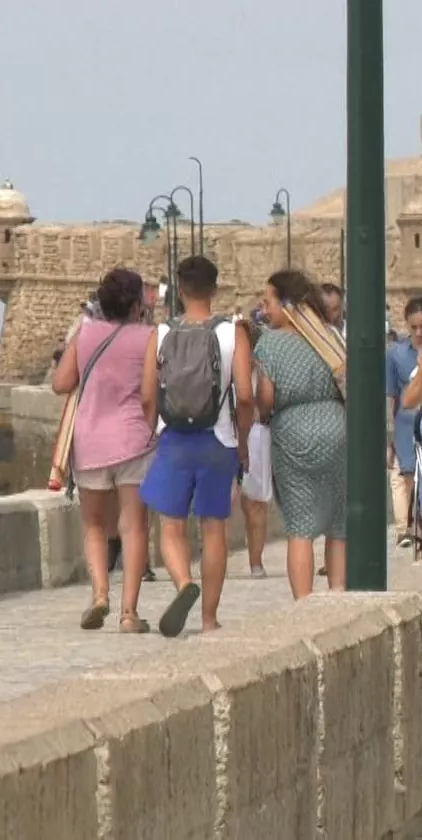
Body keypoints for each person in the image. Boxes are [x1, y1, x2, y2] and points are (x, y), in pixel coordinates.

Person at [138, 255, 249, 637]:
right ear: (215, 289)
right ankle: (208, 619)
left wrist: (154, 428)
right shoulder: (234, 333)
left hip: (175, 441)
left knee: (171, 526)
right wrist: (244, 442)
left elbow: (147, 395)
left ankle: (185, 582)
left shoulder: (162, 333)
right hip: (219, 440)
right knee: (213, 528)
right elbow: (247, 396)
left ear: (180, 289)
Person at [52, 268, 156, 634]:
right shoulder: (148, 337)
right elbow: (147, 394)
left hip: (90, 441)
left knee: (94, 524)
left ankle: (99, 595)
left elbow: (61, 383)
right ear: (134, 304)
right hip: (132, 441)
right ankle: (129, 613)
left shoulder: (85, 333)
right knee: (133, 526)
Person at [253, 269, 348, 598]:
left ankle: (304, 606)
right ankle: (338, 594)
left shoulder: (270, 344)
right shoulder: (329, 337)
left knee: (300, 525)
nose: (265, 310)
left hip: (293, 432)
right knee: (339, 523)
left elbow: (266, 398)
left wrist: (263, 414)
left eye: (269, 302)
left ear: (287, 305)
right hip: (338, 427)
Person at [385, 298, 422, 548]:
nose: (419, 332)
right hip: (406, 422)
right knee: (406, 474)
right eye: (414, 327)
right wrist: (389, 436)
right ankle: (405, 527)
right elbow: (391, 396)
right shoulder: (395, 354)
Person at [234, 315, 274, 578]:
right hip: (229, 432)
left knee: (255, 502)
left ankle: (256, 561)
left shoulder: (261, 369)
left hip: (255, 434)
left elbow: (266, 403)